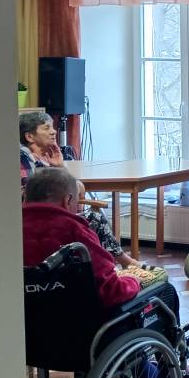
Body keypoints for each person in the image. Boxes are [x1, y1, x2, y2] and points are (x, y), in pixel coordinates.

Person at [23, 168, 177, 313]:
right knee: (166, 289)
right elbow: (111, 291)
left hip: (27, 322)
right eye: (78, 201)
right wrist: (132, 280)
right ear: (68, 200)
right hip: (82, 320)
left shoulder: (12, 231)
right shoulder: (76, 232)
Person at [19, 111, 144, 270]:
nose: (53, 131)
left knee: (93, 219)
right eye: (46, 128)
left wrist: (60, 166)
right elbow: (28, 193)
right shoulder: (23, 158)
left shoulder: (47, 159)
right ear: (29, 136)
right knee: (94, 219)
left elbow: (79, 189)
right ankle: (117, 265)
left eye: (52, 127)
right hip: (39, 219)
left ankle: (112, 265)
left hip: (57, 216)